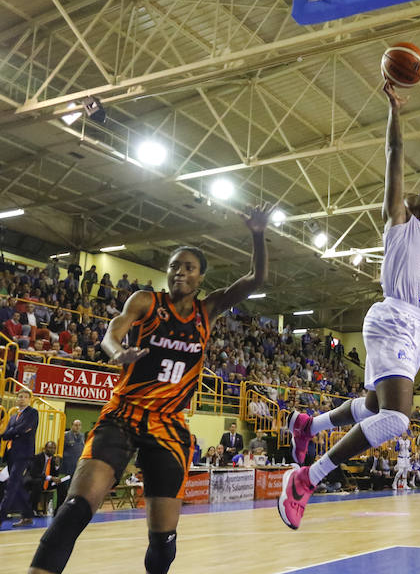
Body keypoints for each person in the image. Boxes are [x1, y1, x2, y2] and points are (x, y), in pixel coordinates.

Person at [26, 205, 271, 574]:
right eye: (174, 266)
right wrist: (118, 353)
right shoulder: (146, 301)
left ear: (201, 277)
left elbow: (255, 279)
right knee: (76, 507)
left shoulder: (208, 311)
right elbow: (112, 331)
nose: (179, 272)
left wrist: (257, 233)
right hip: (123, 415)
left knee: (163, 538)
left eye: (188, 267)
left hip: (168, 425)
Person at [279, 84, 420, 530]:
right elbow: (394, 155)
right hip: (396, 318)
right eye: (410, 192)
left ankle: (309, 423)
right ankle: (308, 478)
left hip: (418, 330)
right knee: (398, 418)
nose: (417, 191)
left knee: (371, 406)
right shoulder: (398, 222)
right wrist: (394, 110)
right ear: (402, 205)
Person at [0, 389, 40, 528]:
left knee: (11, 485)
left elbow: (24, 428)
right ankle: (28, 515)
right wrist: (12, 433)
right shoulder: (13, 417)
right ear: (17, 399)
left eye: (25, 397)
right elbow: (6, 435)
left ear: (29, 400)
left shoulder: (32, 413)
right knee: (17, 486)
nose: (22, 399)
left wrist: (11, 433)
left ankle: (1, 516)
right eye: (20, 397)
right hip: (11, 454)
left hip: (23, 455)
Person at [26, 442, 61, 517]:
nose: (52, 450)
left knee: (62, 484)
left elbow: (55, 475)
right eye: (50, 448)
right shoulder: (37, 457)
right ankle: (33, 509)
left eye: (54, 448)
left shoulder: (54, 459)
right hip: (34, 480)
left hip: (47, 482)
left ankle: (58, 509)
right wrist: (50, 478)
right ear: (45, 449)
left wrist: (57, 466)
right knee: (38, 482)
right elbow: (34, 473)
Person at [60, 420, 84, 504]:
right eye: (76, 425)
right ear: (72, 425)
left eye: (79, 425)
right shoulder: (65, 435)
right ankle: (63, 503)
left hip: (77, 465)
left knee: (75, 486)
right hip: (67, 466)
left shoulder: (82, 436)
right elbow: (61, 450)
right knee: (65, 486)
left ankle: (72, 502)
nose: (77, 427)